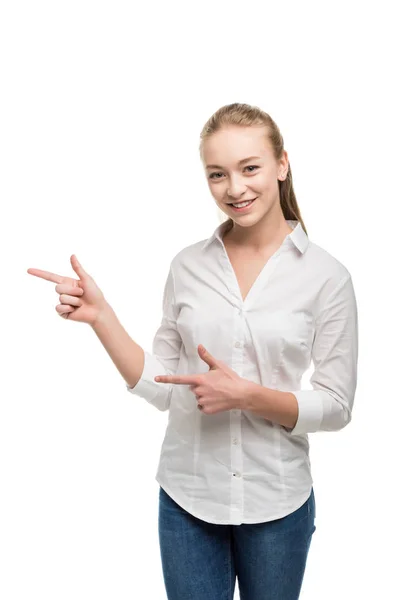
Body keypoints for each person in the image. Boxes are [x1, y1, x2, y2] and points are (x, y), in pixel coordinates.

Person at [27, 102, 358, 600]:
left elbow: (337, 406)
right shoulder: (187, 266)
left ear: (282, 165)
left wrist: (248, 395)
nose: (235, 188)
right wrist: (102, 317)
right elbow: (161, 385)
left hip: (278, 502)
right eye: (217, 174)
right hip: (187, 498)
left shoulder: (327, 277)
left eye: (251, 168)